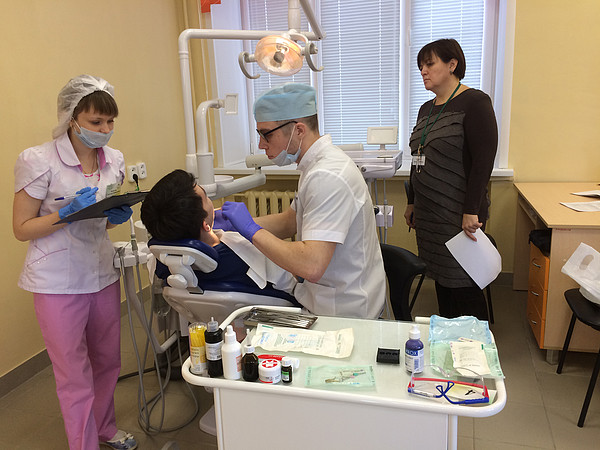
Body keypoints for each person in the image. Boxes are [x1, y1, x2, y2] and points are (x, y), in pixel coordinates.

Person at [12, 75, 137, 450]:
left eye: (110, 121)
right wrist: (65, 214)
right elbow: (21, 228)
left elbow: (104, 214)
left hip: (101, 273)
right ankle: (84, 444)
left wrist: (114, 215)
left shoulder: (114, 160)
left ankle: (104, 428)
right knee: (73, 372)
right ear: (71, 118)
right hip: (56, 282)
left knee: (107, 361)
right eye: (96, 122)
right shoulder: (37, 160)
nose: (105, 130)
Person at [221, 83, 386, 319]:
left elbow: (311, 265)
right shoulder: (314, 166)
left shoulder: (327, 175)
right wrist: (234, 223)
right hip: (329, 298)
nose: (261, 144)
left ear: (298, 130)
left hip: (344, 312)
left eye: (266, 134)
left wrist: (251, 230)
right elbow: (290, 221)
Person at [403, 38, 498, 320]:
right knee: (442, 280)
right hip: (429, 215)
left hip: (459, 214)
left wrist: (471, 210)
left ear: (452, 64)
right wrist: (412, 201)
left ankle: (476, 341)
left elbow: (483, 162)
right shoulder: (426, 109)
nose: (423, 71)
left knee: (464, 283)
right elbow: (418, 156)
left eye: (429, 64)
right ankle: (448, 336)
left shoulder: (475, 102)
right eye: (420, 66)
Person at [140, 169, 297, 297]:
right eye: (206, 197)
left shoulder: (165, 262)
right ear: (205, 225)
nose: (212, 203)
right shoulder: (242, 249)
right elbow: (295, 278)